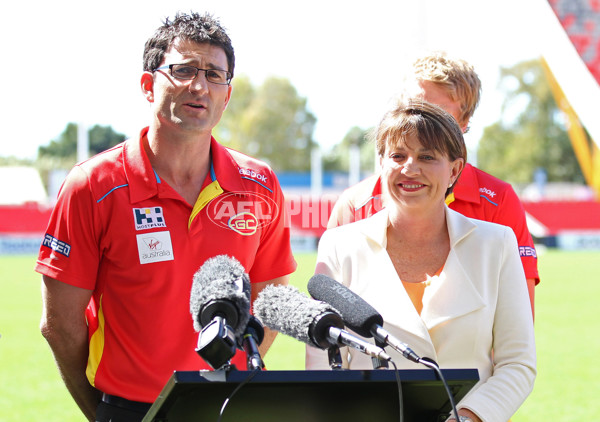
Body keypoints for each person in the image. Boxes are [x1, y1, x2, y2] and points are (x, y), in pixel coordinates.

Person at [36, 12, 296, 422]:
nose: (199, 86)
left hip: (229, 406)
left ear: (227, 95)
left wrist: (224, 374)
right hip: (127, 410)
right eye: (183, 70)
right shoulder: (93, 185)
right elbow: (59, 325)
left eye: (214, 74)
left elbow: (270, 300)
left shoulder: (259, 184)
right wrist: (104, 412)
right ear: (147, 84)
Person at [306, 100, 536, 422]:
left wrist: (468, 418)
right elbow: (322, 368)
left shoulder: (496, 244)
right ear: (382, 163)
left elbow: (518, 363)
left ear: (455, 169)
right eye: (397, 156)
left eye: (427, 156)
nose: (410, 168)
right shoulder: (339, 246)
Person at [327, 52, 539, 317]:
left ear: (464, 123)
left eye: (437, 114)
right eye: (412, 107)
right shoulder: (355, 203)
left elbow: (517, 319)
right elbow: (332, 326)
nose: (420, 122)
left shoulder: (497, 199)